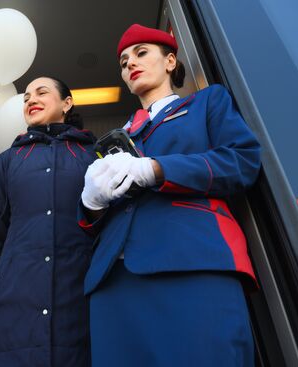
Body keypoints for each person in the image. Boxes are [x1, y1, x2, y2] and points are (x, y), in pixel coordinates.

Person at [79, 24, 262, 366]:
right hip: (115, 283)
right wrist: (90, 203)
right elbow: (96, 218)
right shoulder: (116, 138)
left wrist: (157, 169)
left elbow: (242, 160)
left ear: (170, 61)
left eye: (141, 53)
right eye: (122, 61)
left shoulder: (207, 102)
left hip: (191, 262)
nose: (129, 63)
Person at [0, 77, 97, 367]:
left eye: (42, 93)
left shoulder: (93, 156)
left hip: (80, 299)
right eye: (26, 97)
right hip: (13, 302)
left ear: (67, 103)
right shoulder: (8, 161)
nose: (31, 100)